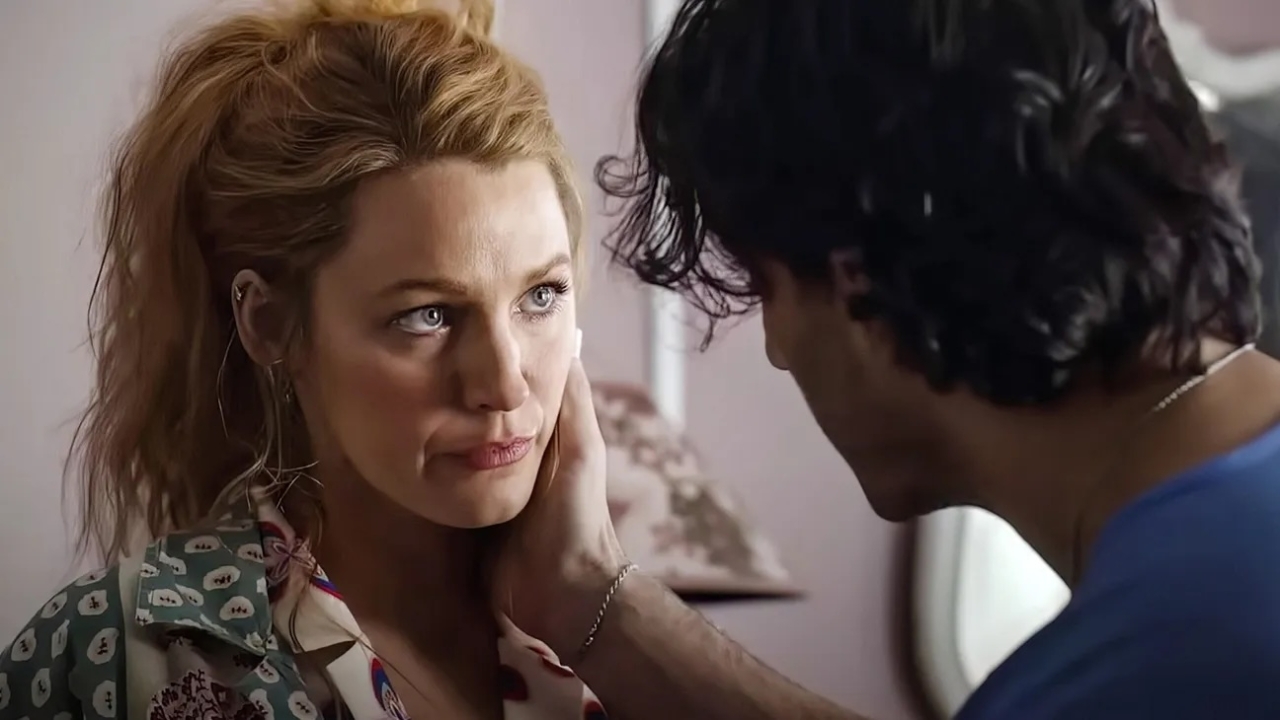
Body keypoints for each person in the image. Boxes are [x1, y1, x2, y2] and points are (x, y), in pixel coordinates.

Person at [488, 0, 1280, 718]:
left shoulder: (1152, 668)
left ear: (854, 286)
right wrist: (591, 594)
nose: (778, 350)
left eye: (766, 288)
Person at [0, 1, 607, 718]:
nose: (504, 384)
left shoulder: (624, 652)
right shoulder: (117, 656)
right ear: (270, 325)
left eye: (541, 296)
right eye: (428, 315)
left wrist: (602, 598)